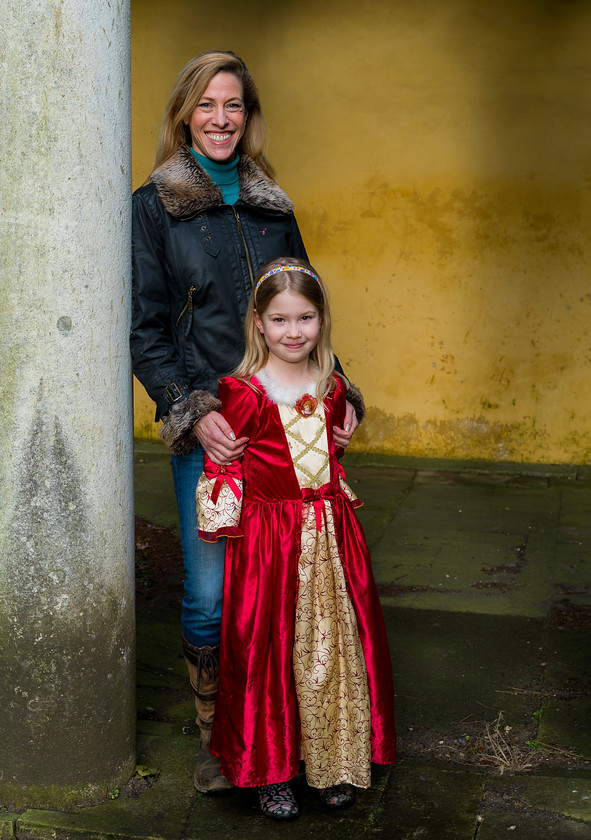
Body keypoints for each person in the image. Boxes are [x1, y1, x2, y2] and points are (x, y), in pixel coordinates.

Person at [130, 51, 362, 794]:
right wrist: (193, 413)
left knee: (289, 588)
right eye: (206, 106)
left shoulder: (273, 207)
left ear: (248, 115)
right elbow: (145, 327)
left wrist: (343, 388)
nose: (221, 119)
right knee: (210, 595)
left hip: (284, 427)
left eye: (232, 105)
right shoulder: (154, 206)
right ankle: (217, 739)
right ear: (184, 116)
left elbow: (303, 309)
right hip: (216, 432)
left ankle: (287, 736)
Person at [196, 258, 396, 820]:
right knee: (268, 650)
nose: (293, 332)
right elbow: (227, 467)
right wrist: (224, 520)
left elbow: (331, 454)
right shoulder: (242, 392)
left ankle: (331, 760)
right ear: (259, 323)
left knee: (333, 646)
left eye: (305, 318)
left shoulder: (332, 387)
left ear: (321, 320)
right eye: (280, 320)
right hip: (271, 542)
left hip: (331, 538)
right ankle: (270, 771)